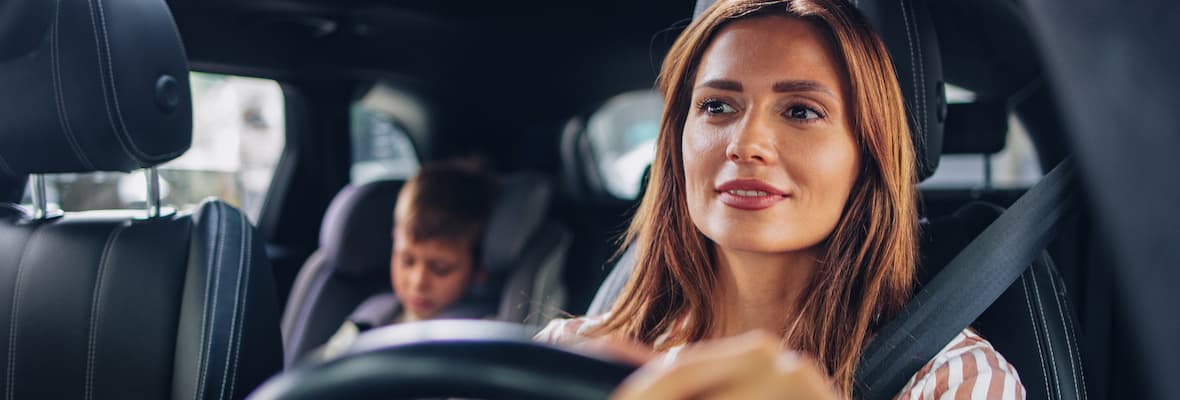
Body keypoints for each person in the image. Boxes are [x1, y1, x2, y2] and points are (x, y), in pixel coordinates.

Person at [534, 0, 1025, 398]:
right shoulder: (564, 359)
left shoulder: (954, 380)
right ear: (676, 141)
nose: (746, 143)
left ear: (868, 155)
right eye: (717, 106)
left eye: (800, 111)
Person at [322, 161, 499, 357]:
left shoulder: (482, 338)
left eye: (440, 268)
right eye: (407, 261)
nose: (418, 282)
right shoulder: (368, 320)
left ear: (478, 269)